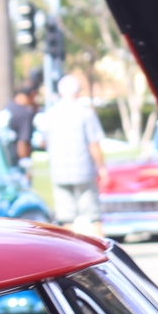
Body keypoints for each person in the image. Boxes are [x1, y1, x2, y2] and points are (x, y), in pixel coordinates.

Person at [41, 74, 107, 235]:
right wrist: (101, 167)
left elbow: (44, 142)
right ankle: (103, 254)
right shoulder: (85, 113)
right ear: (78, 92)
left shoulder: (50, 114)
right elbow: (93, 144)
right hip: (84, 171)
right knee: (93, 217)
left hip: (60, 172)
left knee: (66, 219)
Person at [4, 82, 39, 173]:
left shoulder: (9, 106)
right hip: (17, 163)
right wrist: (26, 166)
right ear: (33, 94)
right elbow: (23, 142)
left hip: (4, 159)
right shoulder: (25, 112)